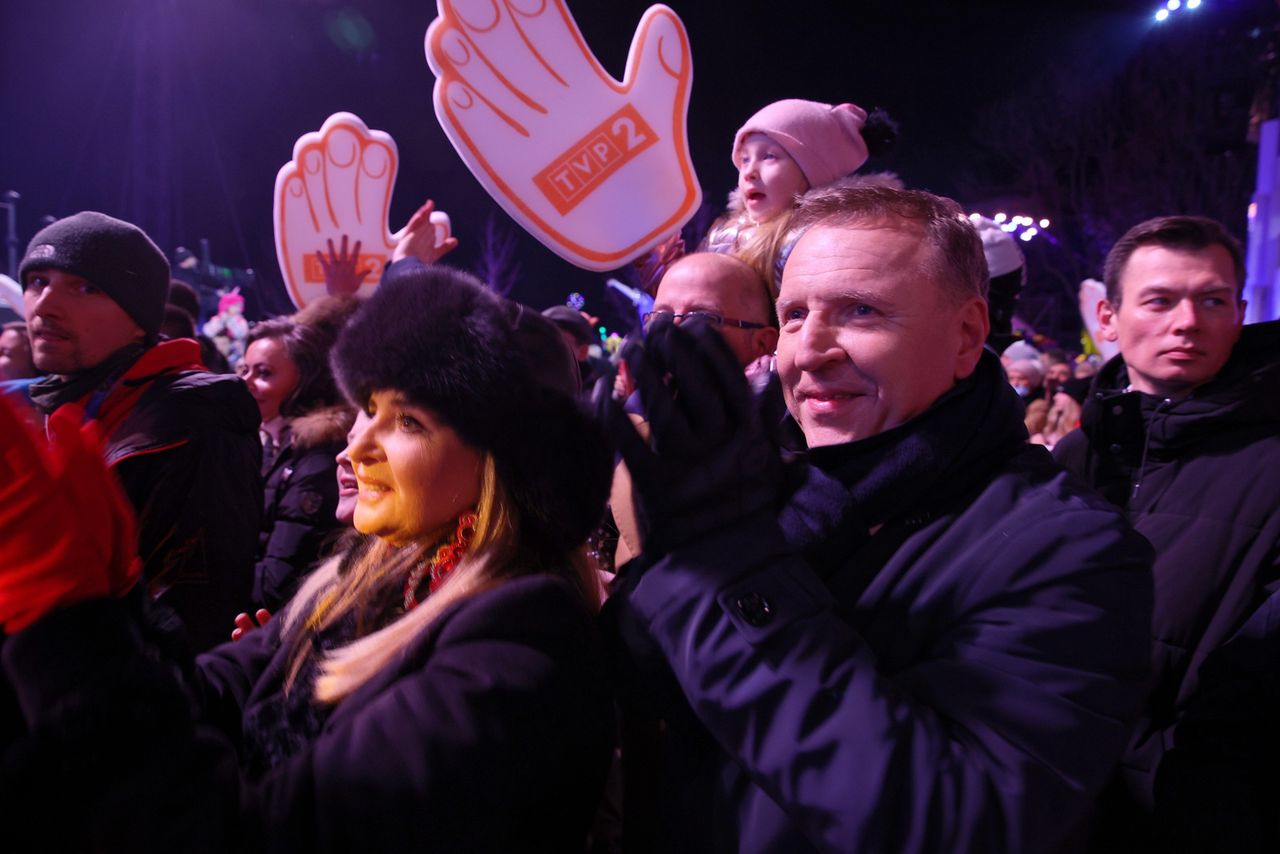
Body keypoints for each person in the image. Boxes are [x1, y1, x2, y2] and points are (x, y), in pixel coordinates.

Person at [598, 185, 1154, 853]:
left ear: (968, 335)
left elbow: (954, 819)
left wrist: (732, 566)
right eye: (796, 314)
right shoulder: (759, 482)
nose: (810, 350)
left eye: (860, 312)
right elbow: (635, 694)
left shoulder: (1073, 549)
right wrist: (665, 558)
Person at [0, 263, 617, 850]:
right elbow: (203, 699)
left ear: (501, 464)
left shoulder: (523, 646)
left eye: (408, 422)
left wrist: (64, 621)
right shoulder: (360, 582)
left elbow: (247, 837)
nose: (356, 447)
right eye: (367, 410)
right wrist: (119, 606)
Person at [1052, 215, 1280, 853]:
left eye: (1212, 301)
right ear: (1108, 318)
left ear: (1239, 314)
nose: (1187, 323)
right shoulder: (1072, 459)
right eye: (1159, 300)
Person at [18, 210, 260, 652]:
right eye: (37, 281)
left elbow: (192, 619)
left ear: (138, 317)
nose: (45, 305)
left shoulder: (197, 418)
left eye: (84, 286)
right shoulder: (49, 408)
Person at [702, 98, 898, 295]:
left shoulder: (826, 244)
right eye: (745, 160)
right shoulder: (723, 235)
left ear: (814, 174)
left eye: (769, 156)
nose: (749, 171)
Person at [243, 305, 355, 612]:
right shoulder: (269, 444)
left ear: (306, 381)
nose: (247, 382)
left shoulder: (318, 460)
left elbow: (275, 585)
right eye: (244, 370)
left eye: (263, 373)